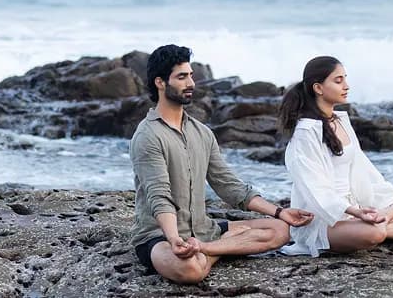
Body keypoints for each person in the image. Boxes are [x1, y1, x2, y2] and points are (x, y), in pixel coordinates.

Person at [131, 44, 315, 284]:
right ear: (160, 82)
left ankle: (206, 250)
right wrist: (175, 239)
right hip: (159, 235)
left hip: (203, 230)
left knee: (281, 230)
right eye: (182, 77)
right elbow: (159, 196)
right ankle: (219, 249)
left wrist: (280, 212)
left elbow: (228, 185)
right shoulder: (148, 136)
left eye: (191, 76)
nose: (191, 83)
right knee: (190, 270)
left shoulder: (202, 132)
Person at [278, 56, 393, 256]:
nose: (346, 86)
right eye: (338, 81)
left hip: (357, 211)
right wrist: (354, 212)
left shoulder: (340, 121)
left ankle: (380, 224)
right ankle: (378, 226)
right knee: (373, 233)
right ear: (318, 88)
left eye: (345, 78)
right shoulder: (305, 133)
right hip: (324, 220)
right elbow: (315, 189)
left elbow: (365, 171)